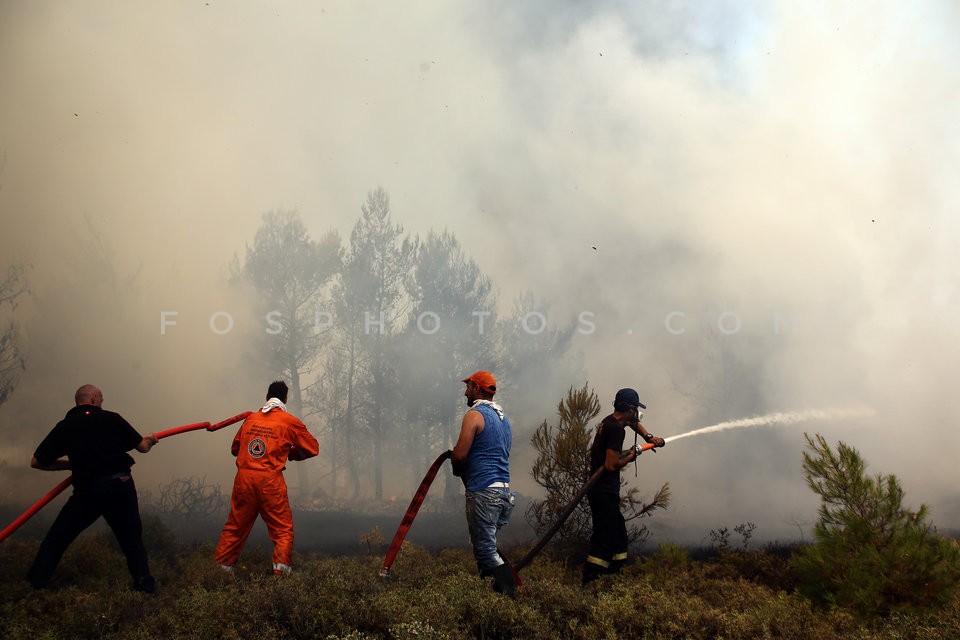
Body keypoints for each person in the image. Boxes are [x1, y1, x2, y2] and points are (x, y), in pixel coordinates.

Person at [26, 384, 159, 593]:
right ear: (94, 398)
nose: (102, 402)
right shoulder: (112, 419)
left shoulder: (65, 426)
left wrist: (72, 464)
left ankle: (34, 587)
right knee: (132, 541)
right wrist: (151, 439)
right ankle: (145, 588)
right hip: (119, 485)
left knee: (57, 539)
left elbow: (37, 461)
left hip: (88, 492)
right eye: (102, 399)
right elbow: (142, 447)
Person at [214, 380, 319, 575]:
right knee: (282, 531)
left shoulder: (251, 419)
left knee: (235, 528)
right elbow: (313, 448)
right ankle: (280, 579)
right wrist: (291, 454)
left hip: (244, 481)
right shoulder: (290, 422)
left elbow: (234, 449)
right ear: (286, 398)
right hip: (270, 483)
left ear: (266, 397)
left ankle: (218, 574)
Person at [583, 387, 665, 586]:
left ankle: (614, 578)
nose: (637, 412)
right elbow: (611, 465)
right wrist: (631, 455)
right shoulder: (616, 430)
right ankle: (591, 582)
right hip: (603, 492)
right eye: (636, 407)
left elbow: (634, 422)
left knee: (619, 537)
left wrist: (648, 438)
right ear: (629, 407)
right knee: (604, 540)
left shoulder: (611, 421)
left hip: (602, 491)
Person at [451, 370, 517, 597]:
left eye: (468, 387)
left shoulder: (474, 415)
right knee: (486, 548)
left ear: (477, 389)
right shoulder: (504, 420)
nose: (465, 392)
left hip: (484, 492)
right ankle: (490, 600)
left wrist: (458, 469)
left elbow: (459, 456)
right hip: (504, 493)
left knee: (486, 552)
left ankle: (512, 600)